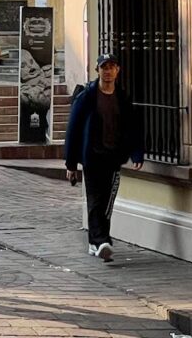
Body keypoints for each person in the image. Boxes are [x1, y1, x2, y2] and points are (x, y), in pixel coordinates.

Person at [64, 54, 144, 262]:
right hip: (92, 157)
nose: (107, 71)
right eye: (104, 67)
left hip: (113, 157)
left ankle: (96, 241)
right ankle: (101, 241)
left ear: (117, 70)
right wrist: (70, 164)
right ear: (97, 71)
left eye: (111, 67)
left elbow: (132, 127)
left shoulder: (122, 98)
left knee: (107, 201)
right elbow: (73, 130)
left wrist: (136, 153)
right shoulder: (87, 97)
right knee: (95, 200)